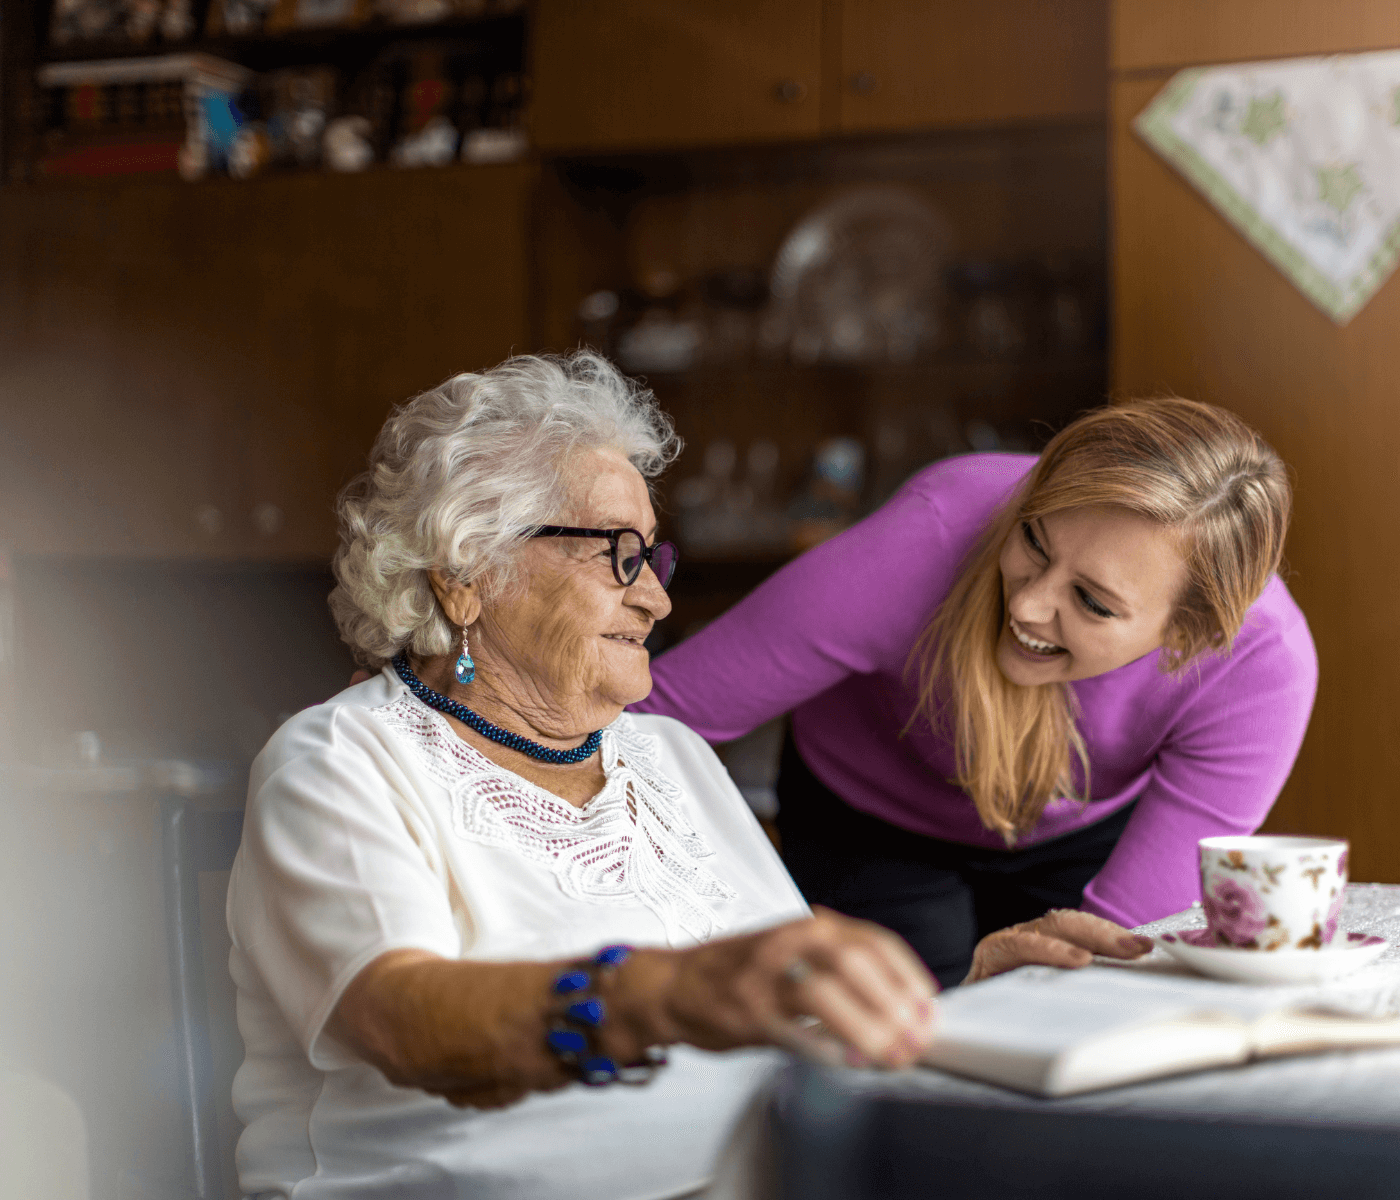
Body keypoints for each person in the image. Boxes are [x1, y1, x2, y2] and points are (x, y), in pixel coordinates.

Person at [226, 352, 1150, 1200]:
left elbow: (783, 1019)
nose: (657, 597)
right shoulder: (343, 762)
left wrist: (957, 995)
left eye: (654, 555)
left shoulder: (664, 756)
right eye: (616, 553)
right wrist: (664, 993)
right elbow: (403, 1019)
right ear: (468, 574)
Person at [635, 397, 1318, 988]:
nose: (1028, 606)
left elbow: (1118, 958)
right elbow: (648, 717)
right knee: (893, 1045)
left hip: (1081, 830)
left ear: (1189, 635)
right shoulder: (929, 536)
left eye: (1091, 602)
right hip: (870, 813)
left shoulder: (1261, 668)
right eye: (1034, 541)